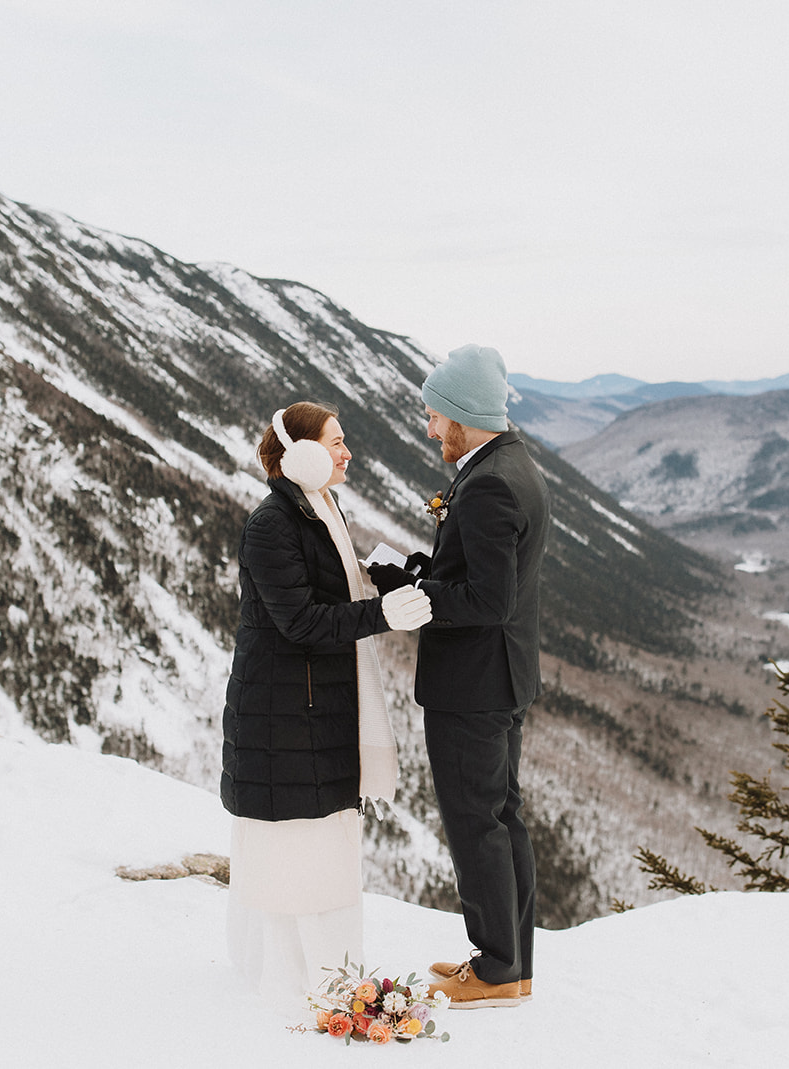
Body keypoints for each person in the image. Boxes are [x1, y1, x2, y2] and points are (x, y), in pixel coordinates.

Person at [220, 400, 433, 1003]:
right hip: (288, 716)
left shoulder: (315, 510)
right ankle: (305, 984)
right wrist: (380, 614)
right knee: (304, 856)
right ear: (302, 452)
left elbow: (325, 585)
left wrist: (384, 577)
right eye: (336, 442)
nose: (347, 454)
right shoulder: (272, 524)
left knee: (319, 853)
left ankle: (326, 979)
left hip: (308, 711)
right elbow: (300, 621)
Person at [369, 344, 548, 1009]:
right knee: (503, 816)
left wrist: (411, 599)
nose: (430, 428)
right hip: (503, 677)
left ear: (464, 415)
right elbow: (480, 570)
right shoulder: (512, 463)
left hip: (472, 685)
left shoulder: (489, 482)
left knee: (477, 822)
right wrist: (420, 569)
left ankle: (496, 968)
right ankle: (512, 959)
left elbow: (487, 599)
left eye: (435, 415)